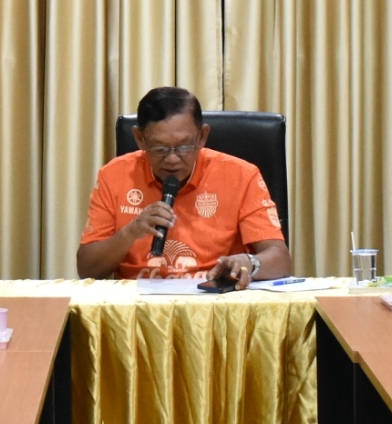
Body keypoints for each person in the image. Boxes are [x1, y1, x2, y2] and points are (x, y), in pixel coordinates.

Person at [76, 86, 292, 287]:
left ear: (202, 136)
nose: (172, 159)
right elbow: (87, 269)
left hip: (212, 300)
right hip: (138, 304)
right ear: (140, 139)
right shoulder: (114, 175)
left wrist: (249, 262)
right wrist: (131, 232)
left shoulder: (241, 176)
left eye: (184, 147)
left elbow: (281, 260)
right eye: (160, 148)